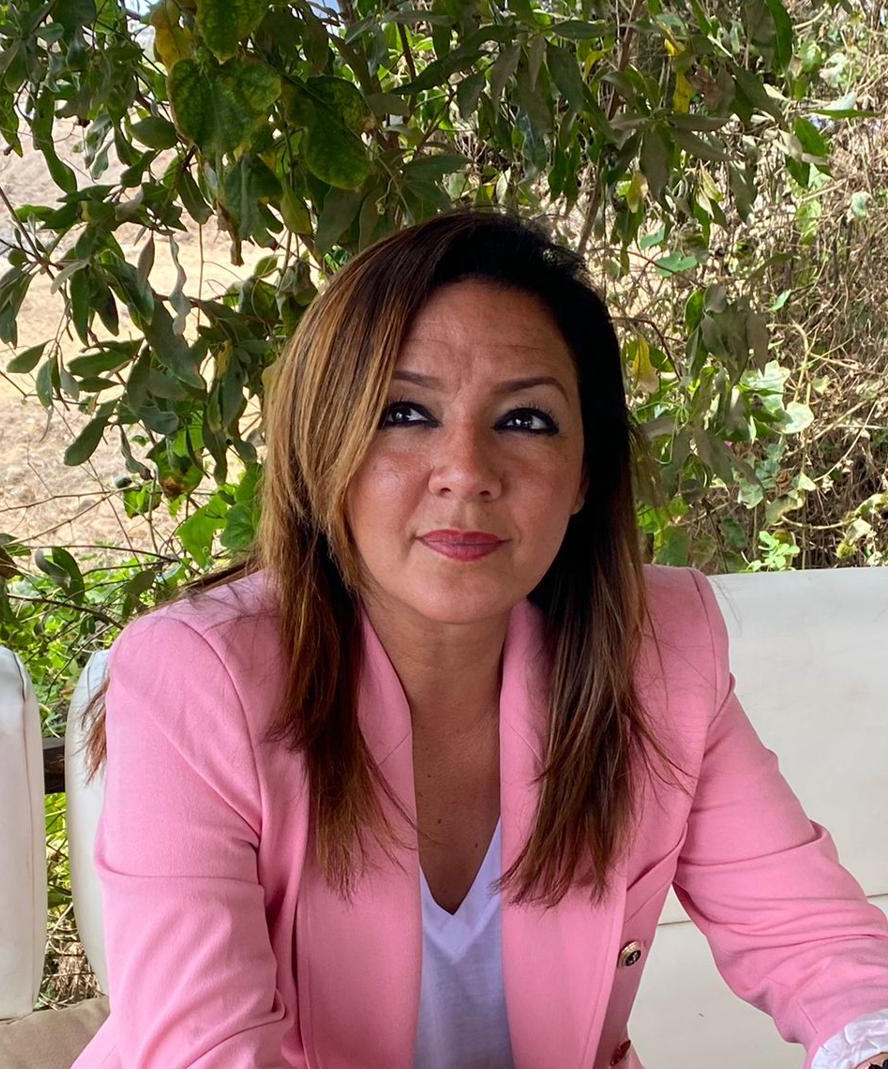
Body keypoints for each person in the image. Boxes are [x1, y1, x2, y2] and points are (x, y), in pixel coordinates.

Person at [68, 210, 888, 1069]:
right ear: (323, 446)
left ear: (585, 473)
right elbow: (207, 1052)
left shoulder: (658, 650)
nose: (466, 471)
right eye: (405, 412)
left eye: (526, 420)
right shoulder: (197, 677)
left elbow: (815, 940)